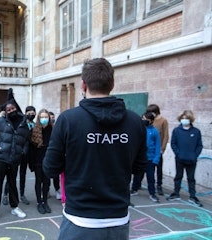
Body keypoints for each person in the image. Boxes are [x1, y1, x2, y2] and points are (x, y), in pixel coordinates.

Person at [43, 58, 147, 240]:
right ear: (112, 84)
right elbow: (139, 168)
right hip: (118, 219)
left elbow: (50, 168)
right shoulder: (135, 121)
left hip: (80, 219)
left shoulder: (68, 120)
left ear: (83, 85)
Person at [0, 98, 30, 224]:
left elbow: (26, 139)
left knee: (12, 184)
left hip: (15, 159)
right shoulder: (0, 121)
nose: (11, 111)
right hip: (0, 158)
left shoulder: (23, 123)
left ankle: (14, 207)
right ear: (5, 112)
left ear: (16, 108)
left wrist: (23, 151)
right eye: (8, 110)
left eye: (13, 108)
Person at [166, 110, 203, 207]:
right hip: (180, 159)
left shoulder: (196, 131)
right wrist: (178, 154)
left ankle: (192, 196)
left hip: (191, 159)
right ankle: (176, 193)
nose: (184, 120)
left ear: (190, 119)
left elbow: (199, 145)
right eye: (182, 118)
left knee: (191, 178)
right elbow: (173, 143)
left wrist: (195, 155)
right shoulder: (176, 131)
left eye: (186, 118)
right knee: (178, 176)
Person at [2, 105, 35, 206]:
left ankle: (22, 194)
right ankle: (5, 194)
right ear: (25, 113)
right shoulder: (21, 123)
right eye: (28, 113)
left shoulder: (34, 125)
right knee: (11, 175)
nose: (31, 115)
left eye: (33, 113)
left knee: (22, 174)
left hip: (27, 153)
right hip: (16, 151)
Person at [130, 112, 161, 202]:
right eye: (142, 118)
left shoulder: (154, 131)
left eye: (146, 119)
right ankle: (134, 189)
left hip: (150, 159)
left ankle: (152, 193)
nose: (144, 120)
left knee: (150, 177)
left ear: (151, 121)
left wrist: (156, 158)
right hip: (140, 157)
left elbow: (157, 146)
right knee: (137, 175)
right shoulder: (139, 129)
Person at [30, 109, 53, 214]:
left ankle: (45, 201)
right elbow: (32, 149)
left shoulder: (52, 130)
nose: (44, 119)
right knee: (38, 181)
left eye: (46, 117)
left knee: (47, 182)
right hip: (38, 161)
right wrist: (32, 164)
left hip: (48, 160)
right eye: (42, 117)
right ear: (39, 118)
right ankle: (39, 202)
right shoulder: (35, 130)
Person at [146, 104, 169, 195]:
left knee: (159, 168)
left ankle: (159, 185)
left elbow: (166, 135)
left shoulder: (163, 120)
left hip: (158, 149)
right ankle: (138, 184)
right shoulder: (150, 120)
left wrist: (162, 149)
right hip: (148, 150)